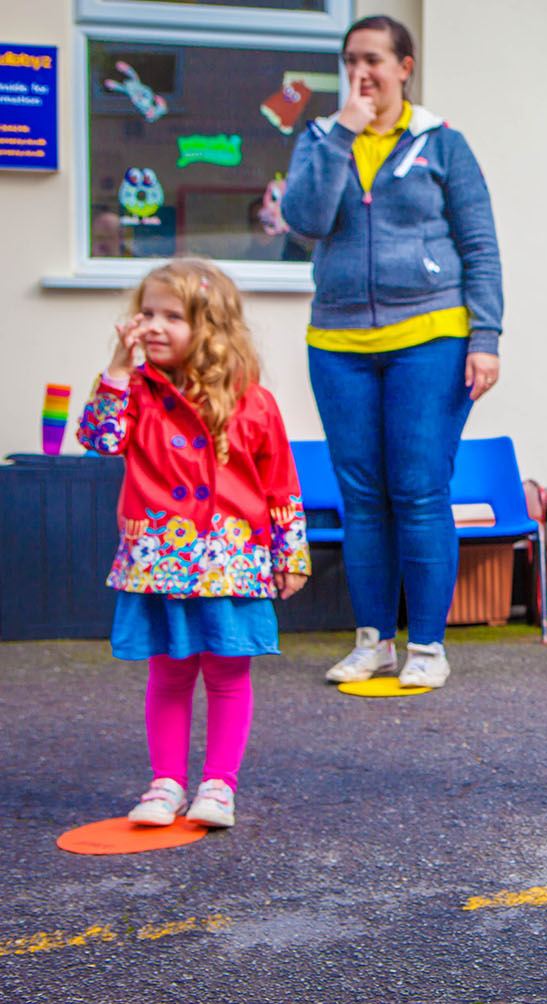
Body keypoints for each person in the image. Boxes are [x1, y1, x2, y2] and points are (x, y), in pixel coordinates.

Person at [282, 15, 503, 689]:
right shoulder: (320, 139)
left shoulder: (444, 144)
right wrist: (343, 132)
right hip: (338, 342)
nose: (362, 73)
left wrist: (485, 338)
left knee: (418, 488)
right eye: (352, 60)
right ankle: (372, 641)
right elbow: (305, 221)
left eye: (374, 60)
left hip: (429, 337)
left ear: (405, 67)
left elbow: (479, 245)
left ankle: (427, 647)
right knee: (362, 495)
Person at [76, 259, 311, 830]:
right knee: (169, 672)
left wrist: (291, 555)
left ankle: (219, 785)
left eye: (171, 316)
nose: (153, 326)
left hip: (229, 558)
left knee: (228, 673)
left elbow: (281, 482)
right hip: (159, 557)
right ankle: (164, 783)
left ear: (209, 326)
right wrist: (115, 368)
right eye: (146, 313)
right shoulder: (133, 392)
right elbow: (98, 439)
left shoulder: (252, 401)